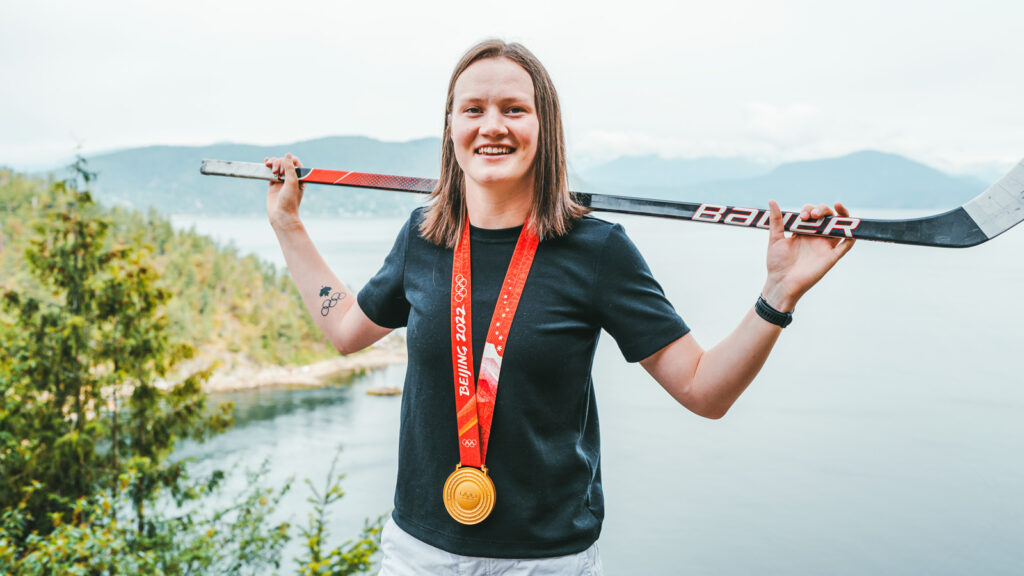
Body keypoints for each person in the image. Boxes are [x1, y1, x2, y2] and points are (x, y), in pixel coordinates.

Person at [265, 39, 854, 575]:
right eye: (473, 109)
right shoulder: (424, 236)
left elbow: (705, 391)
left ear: (544, 127)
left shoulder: (597, 250)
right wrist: (288, 225)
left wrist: (778, 294)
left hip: (546, 563)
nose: (492, 125)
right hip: (419, 554)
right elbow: (346, 330)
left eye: (513, 109)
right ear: (450, 128)